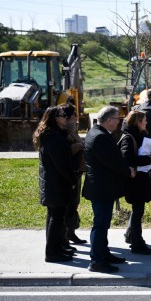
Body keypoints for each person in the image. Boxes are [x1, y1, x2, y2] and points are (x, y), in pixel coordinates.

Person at [82, 106, 136, 273]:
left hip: (101, 187)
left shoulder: (97, 132)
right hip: (101, 188)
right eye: (117, 119)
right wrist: (129, 171)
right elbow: (112, 162)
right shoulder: (100, 137)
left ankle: (103, 254)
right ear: (109, 120)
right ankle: (97, 261)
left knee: (103, 223)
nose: (119, 122)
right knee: (100, 224)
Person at [33, 106, 77, 263]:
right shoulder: (53, 138)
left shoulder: (56, 135)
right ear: (54, 119)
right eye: (62, 115)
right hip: (56, 185)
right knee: (55, 218)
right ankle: (52, 253)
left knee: (56, 218)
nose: (66, 117)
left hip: (56, 184)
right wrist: (72, 181)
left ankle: (57, 248)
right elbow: (61, 164)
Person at [119, 110, 151, 255]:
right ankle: (137, 243)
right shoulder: (129, 137)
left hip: (140, 178)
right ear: (138, 122)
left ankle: (131, 235)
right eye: (144, 120)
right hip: (135, 180)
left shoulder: (137, 135)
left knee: (138, 210)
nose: (146, 122)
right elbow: (126, 158)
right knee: (137, 211)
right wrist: (149, 159)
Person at [59, 103, 87, 246]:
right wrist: (79, 145)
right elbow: (66, 152)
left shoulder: (72, 129)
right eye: (74, 115)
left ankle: (71, 233)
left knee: (74, 204)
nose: (77, 117)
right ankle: (65, 235)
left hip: (77, 172)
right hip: (70, 173)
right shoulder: (63, 132)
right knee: (67, 206)